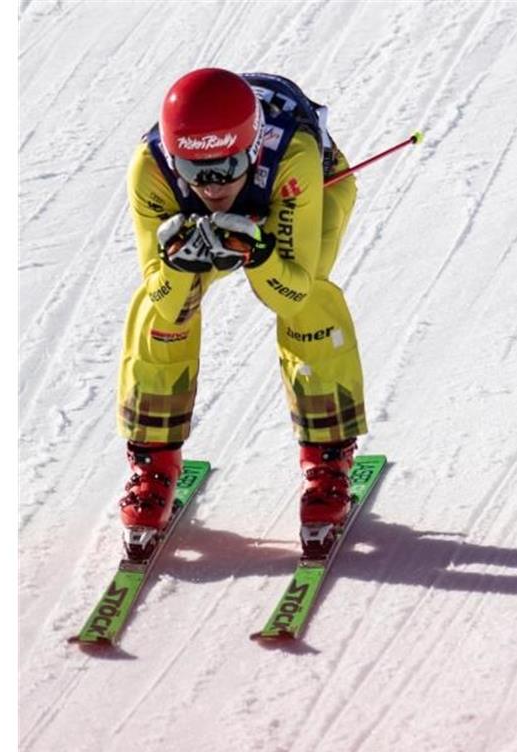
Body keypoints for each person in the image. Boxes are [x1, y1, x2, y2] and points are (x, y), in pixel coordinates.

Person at [116, 68, 367, 559]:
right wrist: (177, 269)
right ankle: (153, 464)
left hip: (301, 189)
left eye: (227, 166)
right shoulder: (150, 170)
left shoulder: (290, 156)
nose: (212, 187)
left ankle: (329, 459)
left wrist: (259, 255)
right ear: (172, 157)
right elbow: (163, 296)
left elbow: (289, 294)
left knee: (312, 303)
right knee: (158, 314)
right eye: (195, 170)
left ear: (251, 150)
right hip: (236, 204)